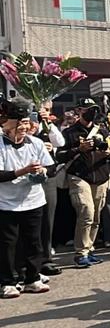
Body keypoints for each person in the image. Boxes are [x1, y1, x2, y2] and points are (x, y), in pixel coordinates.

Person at [1, 100, 55, 298]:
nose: (22, 127)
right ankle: (8, 281)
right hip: (6, 203)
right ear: (6, 123)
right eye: (18, 123)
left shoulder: (36, 142)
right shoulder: (0, 144)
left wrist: (43, 171)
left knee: (34, 241)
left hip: (33, 200)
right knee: (8, 243)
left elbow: (51, 167)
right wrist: (22, 171)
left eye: (25, 122)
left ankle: (32, 278)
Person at [56, 98, 110, 268]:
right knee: (86, 212)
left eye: (94, 109)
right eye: (87, 109)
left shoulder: (102, 130)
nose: (91, 112)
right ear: (79, 110)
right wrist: (78, 149)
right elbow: (59, 155)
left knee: (96, 216)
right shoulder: (69, 133)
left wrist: (106, 151)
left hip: (101, 175)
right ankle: (80, 252)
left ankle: (89, 248)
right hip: (79, 175)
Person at [33, 101, 65, 275]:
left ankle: (46, 258)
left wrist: (48, 124)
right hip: (25, 178)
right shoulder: (25, 124)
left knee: (48, 218)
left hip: (48, 176)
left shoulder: (49, 125)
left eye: (46, 109)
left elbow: (60, 142)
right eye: (40, 109)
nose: (42, 111)